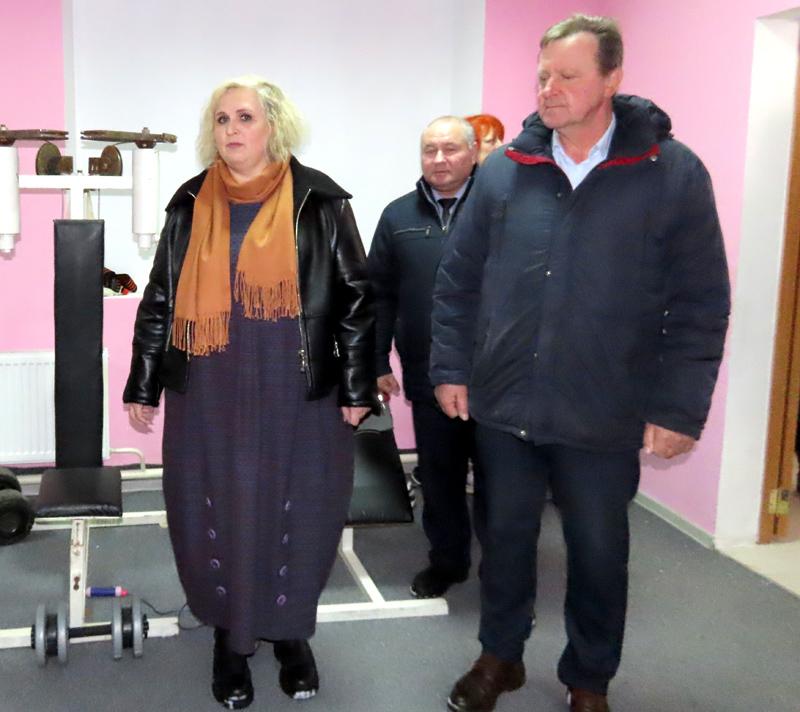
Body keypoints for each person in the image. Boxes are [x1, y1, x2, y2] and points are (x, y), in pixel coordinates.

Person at [430, 15, 730, 712]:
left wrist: (678, 409)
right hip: (507, 402)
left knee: (597, 553)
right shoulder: (506, 169)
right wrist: (451, 368)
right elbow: (458, 280)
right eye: (542, 75)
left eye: (568, 76)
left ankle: (589, 679)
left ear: (611, 79)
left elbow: (700, 302)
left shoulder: (670, 172)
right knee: (505, 541)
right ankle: (500, 656)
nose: (549, 89)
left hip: (603, 408)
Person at [123, 75, 375, 710]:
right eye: (222, 119)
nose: (231, 129)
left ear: (273, 127)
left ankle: (290, 633)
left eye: (245, 117)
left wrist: (356, 386)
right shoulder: (189, 202)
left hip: (297, 384)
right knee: (217, 504)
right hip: (209, 382)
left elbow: (355, 300)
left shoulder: (319, 201)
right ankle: (230, 637)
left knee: (300, 503)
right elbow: (160, 298)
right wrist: (143, 381)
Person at [367, 116, 479, 599]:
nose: (439, 159)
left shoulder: (501, 209)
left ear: (473, 153)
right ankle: (447, 562)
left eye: (450, 149)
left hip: (496, 375)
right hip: (428, 373)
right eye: (429, 150)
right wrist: (376, 361)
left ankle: (506, 574)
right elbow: (378, 295)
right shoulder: (398, 217)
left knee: (503, 486)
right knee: (439, 476)